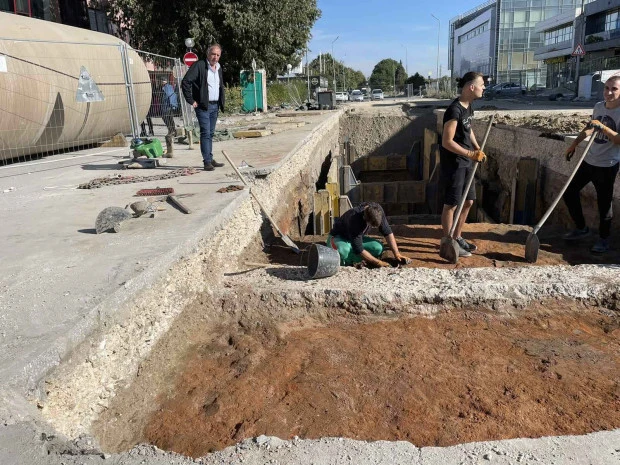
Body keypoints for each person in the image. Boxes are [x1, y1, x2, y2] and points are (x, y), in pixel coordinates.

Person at [562, 75, 620, 254]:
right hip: (588, 160)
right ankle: (581, 228)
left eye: (614, 89)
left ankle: (603, 239)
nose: (609, 92)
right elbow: (589, 127)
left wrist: (603, 127)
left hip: (607, 165)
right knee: (569, 192)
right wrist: (574, 144)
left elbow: (618, 140)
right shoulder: (598, 107)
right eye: (606, 88)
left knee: (604, 204)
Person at [439, 71, 487, 258]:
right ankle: (448, 242)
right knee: (451, 204)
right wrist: (469, 153)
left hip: (467, 161)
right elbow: (447, 141)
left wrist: (477, 147)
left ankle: (457, 236)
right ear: (471, 87)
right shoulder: (454, 110)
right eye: (481, 84)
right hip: (455, 163)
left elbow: (468, 128)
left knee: (468, 201)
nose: (484, 88)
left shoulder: (468, 107)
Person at [181, 44, 225, 171]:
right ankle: (206, 162)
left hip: (215, 105)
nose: (215, 57)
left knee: (210, 133)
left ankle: (210, 158)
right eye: (213, 54)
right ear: (208, 54)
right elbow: (186, 82)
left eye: (218, 55)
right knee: (205, 133)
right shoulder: (200, 66)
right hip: (203, 106)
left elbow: (219, 85)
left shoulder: (219, 68)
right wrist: (191, 100)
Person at [327, 202, 409, 267]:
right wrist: (378, 263)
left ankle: (354, 257)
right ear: (365, 219)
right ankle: (348, 262)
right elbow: (358, 248)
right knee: (343, 251)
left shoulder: (378, 210)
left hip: (355, 238)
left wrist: (397, 253)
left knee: (378, 248)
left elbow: (387, 232)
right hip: (339, 238)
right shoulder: (354, 218)